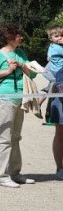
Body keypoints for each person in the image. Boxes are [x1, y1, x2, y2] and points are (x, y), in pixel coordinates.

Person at [0, 25, 37, 188]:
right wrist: (8, 70)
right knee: (4, 138)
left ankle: (15, 173)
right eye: (18, 35)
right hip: (5, 98)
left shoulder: (21, 53)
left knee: (16, 137)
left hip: (21, 97)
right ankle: (1, 176)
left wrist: (22, 66)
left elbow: (32, 74)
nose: (21, 38)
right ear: (9, 37)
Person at [43, 26, 63, 179]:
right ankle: (60, 168)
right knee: (60, 134)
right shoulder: (55, 50)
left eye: (62, 35)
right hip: (59, 95)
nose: (60, 38)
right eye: (57, 36)